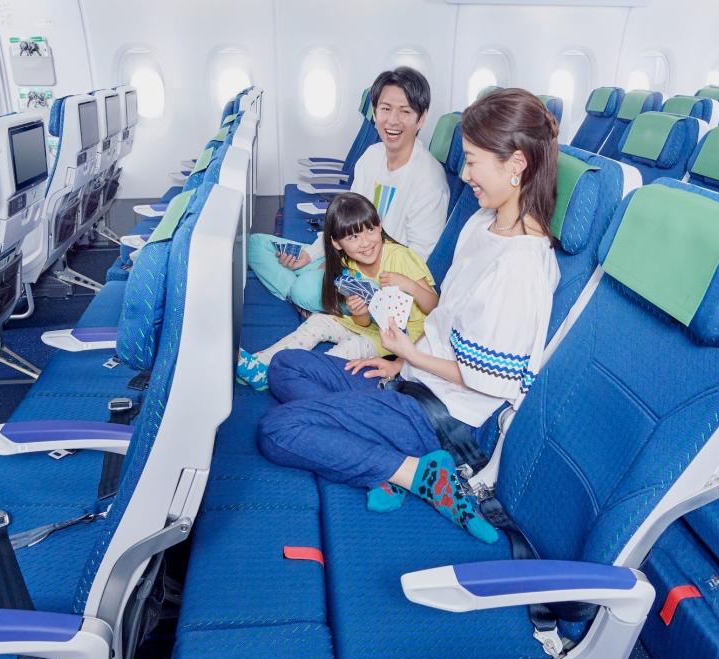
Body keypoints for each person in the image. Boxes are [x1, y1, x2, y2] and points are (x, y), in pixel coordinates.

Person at [256, 89, 561, 542]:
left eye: (474, 161)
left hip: (445, 419)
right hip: (411, 380)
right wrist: (400, 361)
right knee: (286, 366)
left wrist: (406, 354)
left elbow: (491, 382)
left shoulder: (520, 266)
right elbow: (444, 322)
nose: (465, 173)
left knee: (279, 430)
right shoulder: (483, 224)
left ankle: (419, 474)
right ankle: (376, 454)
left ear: (515, 165)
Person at [248, 66, 449, 313]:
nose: (393, 120)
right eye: (385, 109)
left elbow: (418, 261)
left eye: (405, 111)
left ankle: (303, 295)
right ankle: (307, 295)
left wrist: (350, 270)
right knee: (256, 245)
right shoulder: (372, 157)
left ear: (421, 118)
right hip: (347, 254)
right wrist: (312, 257)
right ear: (375, 113)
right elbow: (345, 223)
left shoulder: (428, 179)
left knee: (307, 288)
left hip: (380, 280)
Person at [236, 193, 438, 390]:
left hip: (402, 337)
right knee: (317, 321)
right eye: (353, 236)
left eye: (370, 230)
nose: (366, 242)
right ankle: (261, 365)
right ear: (336, 243)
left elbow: (435, 306)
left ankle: (304, 373)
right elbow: (363, 322)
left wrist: (409, 285)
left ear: (380, 226)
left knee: (351, 346)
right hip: (368, 327)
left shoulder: (400, 257)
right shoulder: (348, 263)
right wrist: (360, 313)